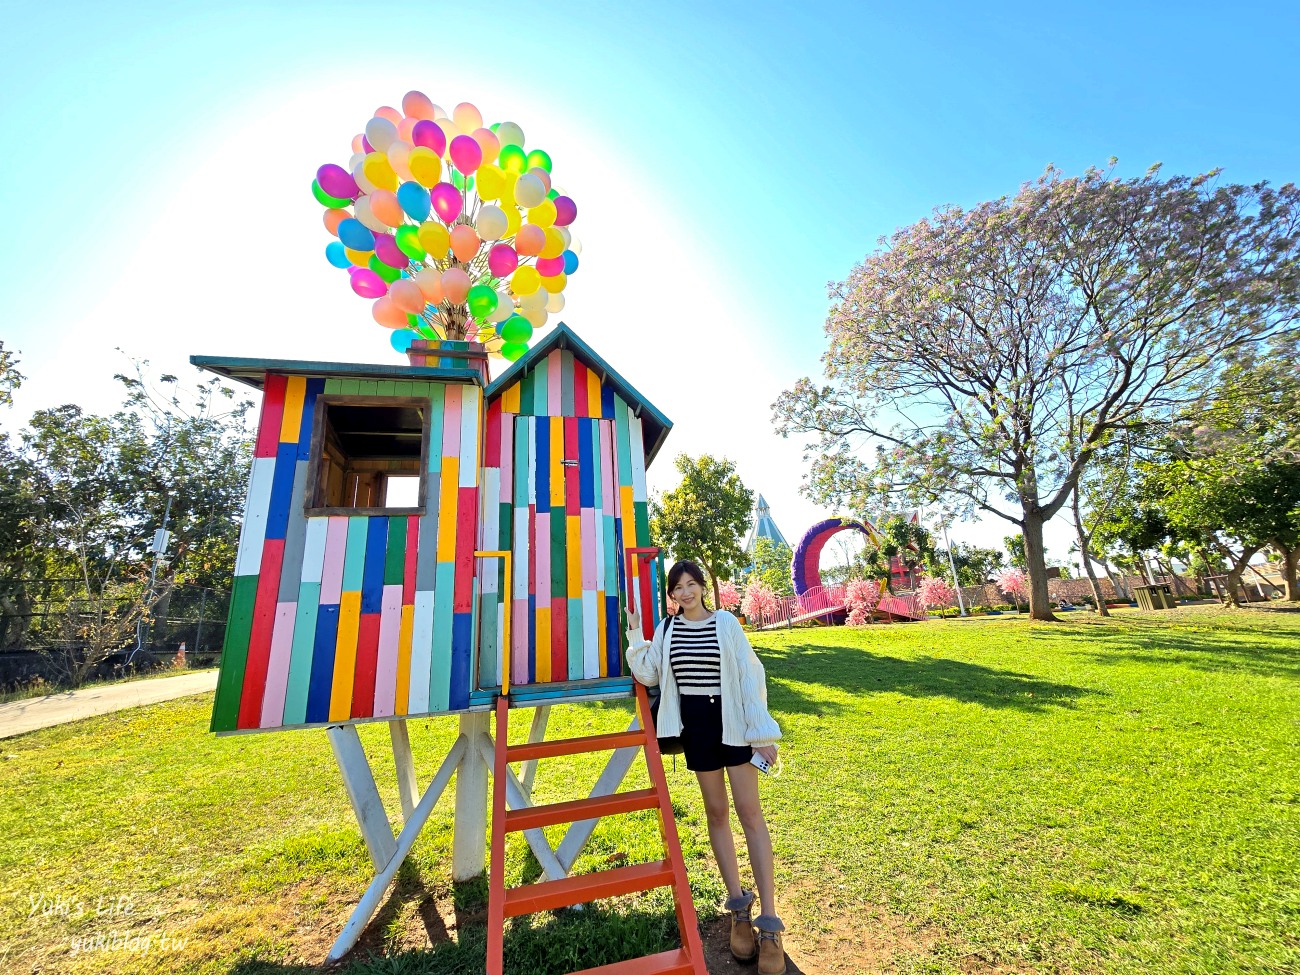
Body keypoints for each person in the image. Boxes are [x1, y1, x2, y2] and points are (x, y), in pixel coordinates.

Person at [626, 559, 788, 975]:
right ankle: (738, 907)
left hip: (732, 727)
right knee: (716, 813)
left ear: (702, 587)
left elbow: (750, 675)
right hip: (697, 732)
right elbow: (648, 673)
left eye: (691, 584)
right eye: (677, 587)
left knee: (751, 815)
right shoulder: (668, 629)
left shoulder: (726, 624)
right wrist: (634, 633)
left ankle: (769, 923)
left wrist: (762, 733)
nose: (685, 593)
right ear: (671, 594)